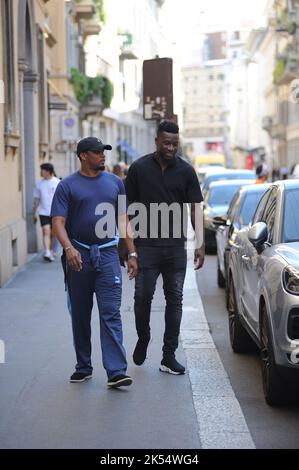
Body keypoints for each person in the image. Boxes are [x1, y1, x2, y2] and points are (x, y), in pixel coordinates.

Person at [51, 137, 138, 388]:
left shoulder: (115, 183)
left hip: (108, 255)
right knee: (80, 313)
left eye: (103, 151)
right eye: (97, 152)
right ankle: (84, 365)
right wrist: (69, 249)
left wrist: (131, 253)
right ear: (82, 156)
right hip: (78, 255)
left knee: (110, 312)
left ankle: (116, 371)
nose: (102, 156)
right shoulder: (67, 186)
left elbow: (123, 221)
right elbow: (57, 222)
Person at [124, 120, 205, 375]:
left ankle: (168, 355)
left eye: (175, 143)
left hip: (175, 248)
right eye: (167, 143)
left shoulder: (186, 171)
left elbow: (195, 208)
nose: (171, 147)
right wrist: (126, 247)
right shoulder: (138, 169)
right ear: (157, 141)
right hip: (145, 246)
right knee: (142, 298)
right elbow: (124, 210)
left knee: (175, 300)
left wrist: (200, 243)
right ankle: (144, 336)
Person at [33, 163, 60, 261]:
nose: (40, 172)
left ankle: (52, 250)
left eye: (42, 170)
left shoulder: (57, 182)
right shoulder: (39, 184)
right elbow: (36, 199)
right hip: (43, 212)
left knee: (54, 234)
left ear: (48, 171)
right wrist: (34, 212)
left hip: (56, 213)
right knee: (46, 231)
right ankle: (47, 252)